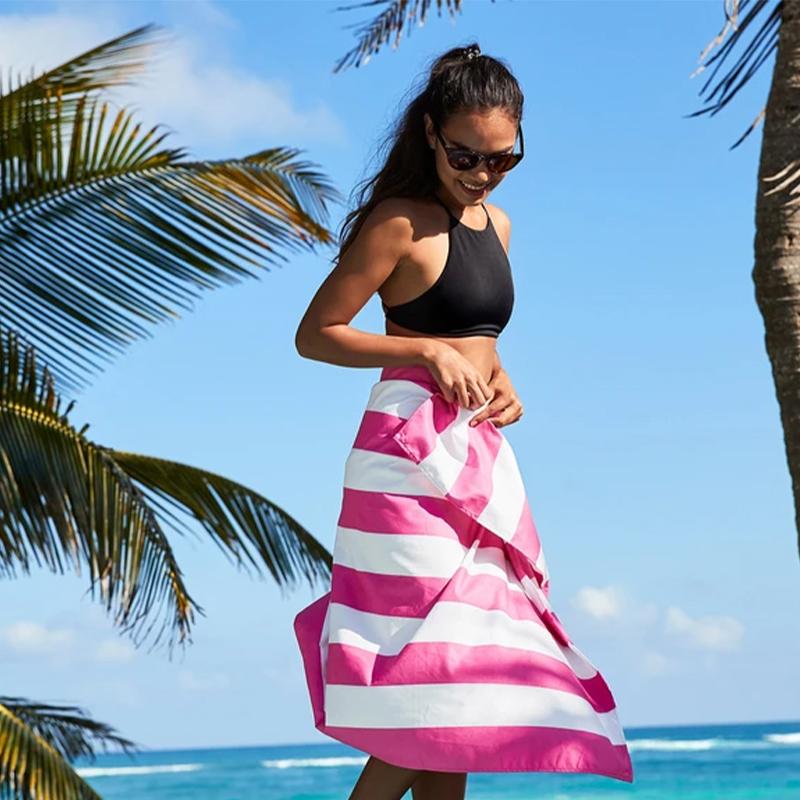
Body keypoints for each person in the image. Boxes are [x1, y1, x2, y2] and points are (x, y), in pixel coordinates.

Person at [293, 42, 634, 800]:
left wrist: (501, 381)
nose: (483, 172)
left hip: (477, 453)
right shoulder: (398, 224)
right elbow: (317, 333)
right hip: (405, 460)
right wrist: (424, 354)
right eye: (465, 155)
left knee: (464, 680)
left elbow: (483, 342)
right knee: (434, 680)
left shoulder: (499, 226)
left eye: (502, 158)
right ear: (427, 133)